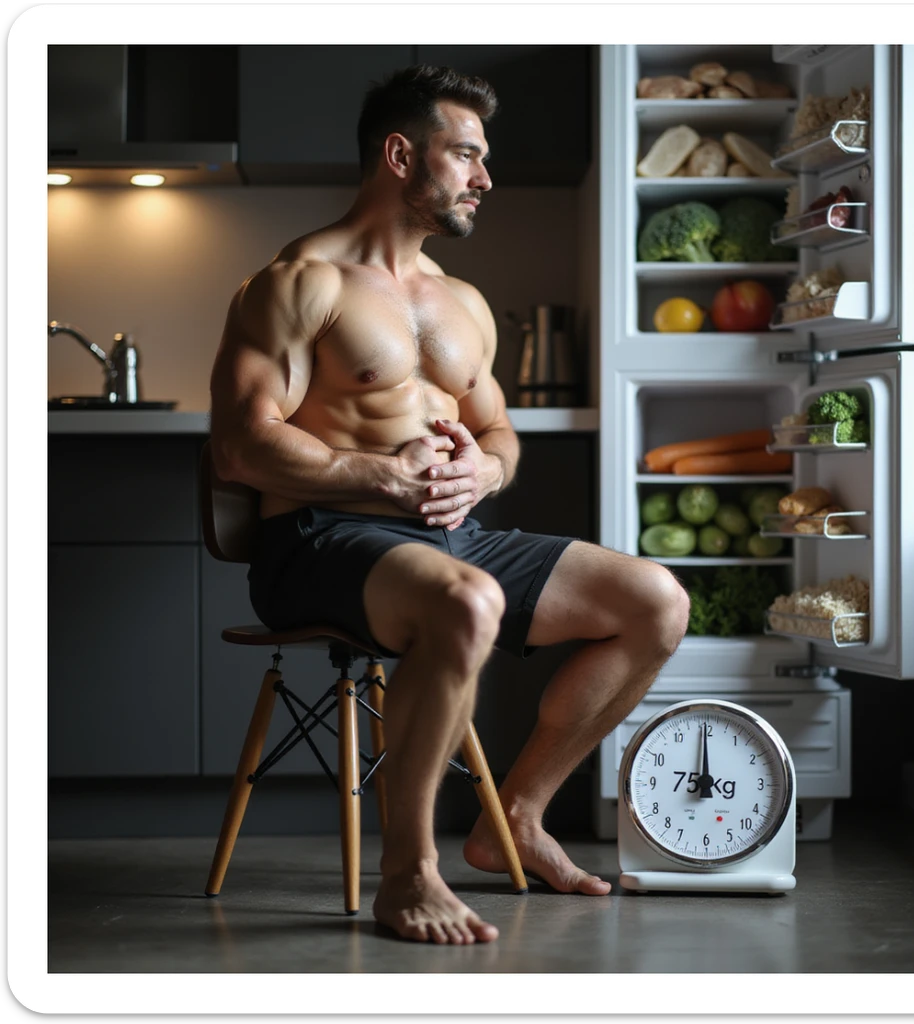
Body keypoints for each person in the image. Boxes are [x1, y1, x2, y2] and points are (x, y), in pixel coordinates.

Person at [209, 65, 689, 945]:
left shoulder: (462, 305)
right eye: (465, 153)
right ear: (400, 154)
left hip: (448, 534)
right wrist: (380, 477)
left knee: (655, 600)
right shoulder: (299, 282)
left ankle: (518, 819)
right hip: (318, 541)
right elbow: (242, 444)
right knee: (469, 601)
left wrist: (484, 477)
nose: (484, 178)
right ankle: (409, 872)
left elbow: (499, 432)